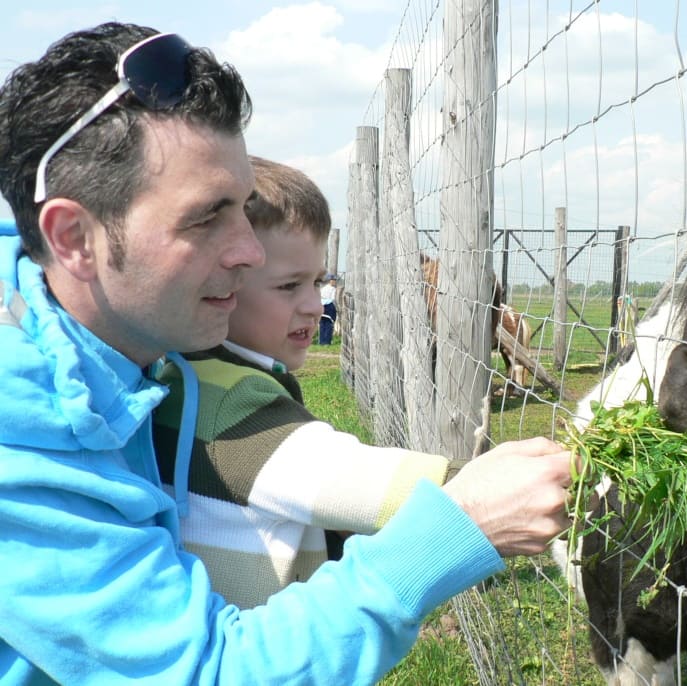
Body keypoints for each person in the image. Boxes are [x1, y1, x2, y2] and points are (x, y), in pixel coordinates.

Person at [0, 22, 573, 686]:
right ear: (72, 236)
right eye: (205, 217)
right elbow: (207, 673)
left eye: (243, 208)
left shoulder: (101, 346)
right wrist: (459, 527)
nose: (247, 251)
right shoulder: (22, 445)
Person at [152, 156, 463, 608]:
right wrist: (502, 479)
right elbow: (379, 491)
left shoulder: (183, 375)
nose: (313, 306)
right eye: (288, 286)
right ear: (221, 284)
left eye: (317, 281)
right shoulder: (234, 402)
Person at [319, 274, 338, 344]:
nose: (334, 282)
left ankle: (321, 341)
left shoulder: (323, 289)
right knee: (329, 324)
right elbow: (333, 299)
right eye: (333, 280)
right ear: (330, 281)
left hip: (321, 306)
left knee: (322, 325)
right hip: (329, 306)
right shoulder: (333, 289)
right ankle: (327, 341)